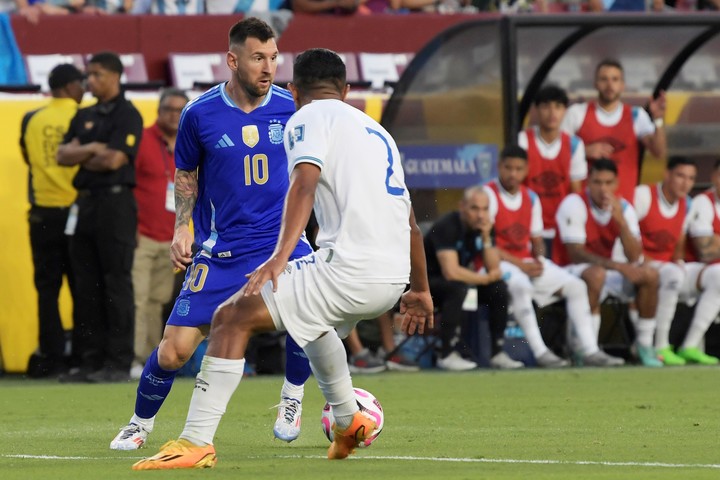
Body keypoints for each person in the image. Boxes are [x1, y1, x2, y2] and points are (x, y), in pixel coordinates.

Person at [131, 47, 434, 470]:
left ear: (293, 91)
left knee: (230, 317)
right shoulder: (377, 132)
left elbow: (303, 187)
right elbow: (412, 223)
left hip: (346, 269)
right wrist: (420, 288)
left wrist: (279, 257)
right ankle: (348, 419)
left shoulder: (305, 117)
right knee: (310, 325)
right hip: (391, 279)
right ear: (346, 91)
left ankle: (196, 441)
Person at [109, 18, 315, 452]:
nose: (269, 67)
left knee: (309, 319)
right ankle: (139, 423)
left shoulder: (292, 106)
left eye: (274, 58)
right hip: (221, 252)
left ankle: (292, 398)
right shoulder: (198, 113)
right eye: (259, 57)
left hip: (280, 244)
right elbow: (186, 175)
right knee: (172, 352)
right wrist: (182, 227)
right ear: (233, 60)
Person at [485, 146, 623, 367]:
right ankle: (541, 352)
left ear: (526, 170)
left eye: (518, 169)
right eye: (508, 168)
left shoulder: (530, 198)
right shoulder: (488, 195)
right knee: (520, 285)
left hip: (525, 262)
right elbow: (487, 245)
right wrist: (522, 264)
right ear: (499, 167)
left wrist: (539, 260)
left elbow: (537, 240)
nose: (513, 174)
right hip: (495, 262)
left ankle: (589, 350)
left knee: (577, 286)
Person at [56, 51, 144, 382]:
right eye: (88, 74)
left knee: (116, 281)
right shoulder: (85, 114)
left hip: (115, 205)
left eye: (96, 74)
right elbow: (61, 155)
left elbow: (114, 161)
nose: (89, 80)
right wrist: (95, 149)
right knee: (84, 283)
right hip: (85, 204)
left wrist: (85, 151)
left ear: (115, 76)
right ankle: (88, 359)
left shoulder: (128, 114)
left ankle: (118, 361)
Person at [553, 159, 662, 367]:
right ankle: (584, 348)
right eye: (597, 182)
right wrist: (620, 267)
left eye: (608, 183)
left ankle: (644, 344)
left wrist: (621, 224)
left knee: (650, 275)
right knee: (596, 275)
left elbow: (634, 256)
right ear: (588, 183)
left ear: (617, 184)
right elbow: (575, 253)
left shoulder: (623, 208)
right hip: (568, 270)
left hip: (605, 269)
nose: (603, 189)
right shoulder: (574, 203)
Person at [19, 63, 84, 378]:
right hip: (75, 212)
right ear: (71, 87)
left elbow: (28, 159)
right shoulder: (81, 116)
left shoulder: (31, 118)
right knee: (82, 286)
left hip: (42, 213)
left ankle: (52, 356)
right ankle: (82, 356)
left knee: (47, 289)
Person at [424, 186, 522, 371]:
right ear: (462, 207)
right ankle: (446, 353)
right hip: (426, 287)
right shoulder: (447, 225)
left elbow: (493, 269)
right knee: (458, 288)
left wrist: (486, 237)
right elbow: (450, 272)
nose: (480, 215)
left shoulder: (484, 227)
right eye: (474, 208)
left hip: (458, 286)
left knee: (498, 289)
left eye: (485, 209)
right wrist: (484, 279)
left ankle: (497, 352)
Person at [129, 88, 189, 379]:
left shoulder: (190, 142)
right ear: (159, 110)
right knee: (139, 298)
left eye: (180, 110)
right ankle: (136, 357)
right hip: (143, 234)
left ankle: (151, 358)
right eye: (169, 109)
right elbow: (128, 187)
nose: (174, 115)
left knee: (159, 299)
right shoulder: (142, 140)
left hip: (172, 237)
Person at [561, 58, 666, 203]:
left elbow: (658, 152)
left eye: (615, 79)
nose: (610, 85)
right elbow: (557, 153)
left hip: (624, 204)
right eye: (604, 79)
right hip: (587, 206)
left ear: (623, 85)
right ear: (595, 84)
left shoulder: (636, 116)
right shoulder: (577, 113)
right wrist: (583, 151)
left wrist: (658, 120)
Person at [633, 156, 696, 366]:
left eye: (690, 178)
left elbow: (680, 238)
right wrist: (644, 260)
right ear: (666, 174)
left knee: (686, 274)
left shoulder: (687, 203)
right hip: (634, 262)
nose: (685, 183)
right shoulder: (644, 195)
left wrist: (678, 260)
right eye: (680, 176)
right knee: (672, 274)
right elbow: (626, 234)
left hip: (664, 266)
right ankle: (660, 345)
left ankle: (691, 345)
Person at [519, 85, 586, 256]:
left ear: (565, 111)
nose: (552, 112)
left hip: (560, 229)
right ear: (536, 110)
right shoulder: (523, 141)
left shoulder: (574, 145)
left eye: (558, 106)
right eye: (546, 106)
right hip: (530, 229)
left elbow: (576, 192)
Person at [675, 159, 720, 365]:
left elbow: (713, 246)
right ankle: (690, 345)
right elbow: (704, 251)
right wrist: (711, 245)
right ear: (714, 177)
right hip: (691, 270)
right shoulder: (704, 202)